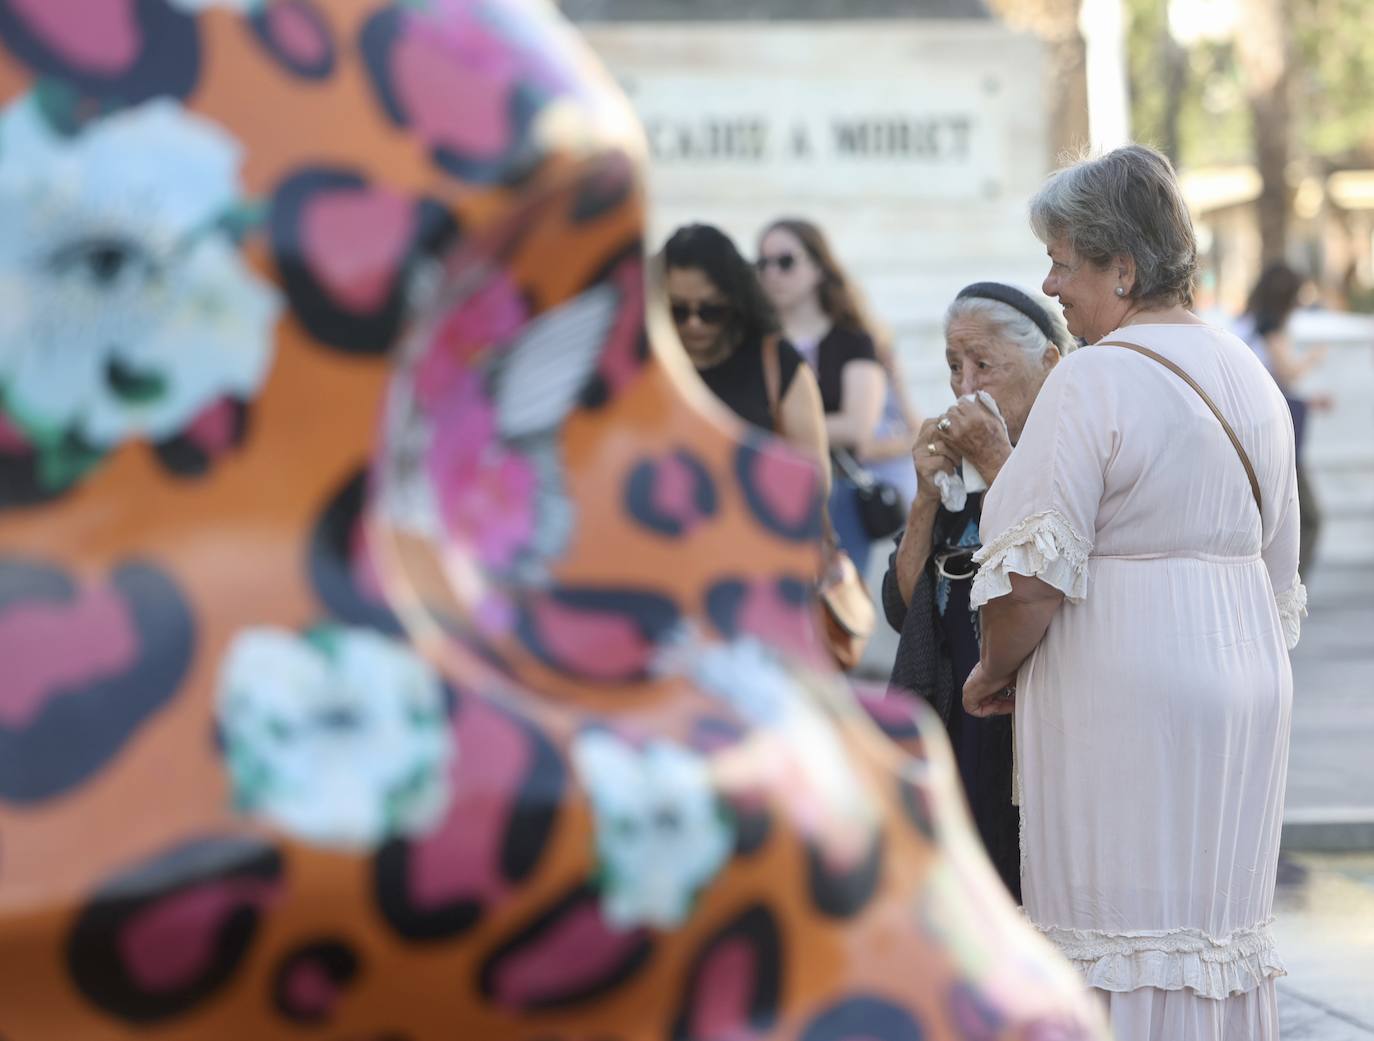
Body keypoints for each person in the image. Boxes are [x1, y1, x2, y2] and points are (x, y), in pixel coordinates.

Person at [962, 144, 1303, 1041]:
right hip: (1244, 685)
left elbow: (1029, 578)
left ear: (1125, 266)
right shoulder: (1250, 376)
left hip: (1124, 691)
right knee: (1212, 941)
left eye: (1065, 263)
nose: (1051, 283)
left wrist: (992, 669)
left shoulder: (1093, 376)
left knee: (1114, 932)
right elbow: (1280, 572)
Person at [882, 282, 1073, 901]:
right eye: (953, 367)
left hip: (1033, 725)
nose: (964, 387)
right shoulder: (960, 477)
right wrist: (926, 496)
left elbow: (1055, 561)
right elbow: (909, 606)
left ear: (1048, 363)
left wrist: (997, 459)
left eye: (983, 365)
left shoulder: (1069, 455)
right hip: (956, 720)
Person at [757, 218, 887, 572]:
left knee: (835, 616)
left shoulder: (852, 339)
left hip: (835, 495)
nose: (773, 273)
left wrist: (771, 430)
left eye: (785, 261)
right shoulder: (754, 341)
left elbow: (858, 426)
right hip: (762, 490)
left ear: (817, 267)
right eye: (763, 263)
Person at [662, 224, 829, 474]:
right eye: (678, 311)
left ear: (734, 299)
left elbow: (815, 480)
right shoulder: (642, 364)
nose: (693, 323)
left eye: (710, 311)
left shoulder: (776, 363)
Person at [1234, 262, 1331, 579]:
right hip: (1272, 437)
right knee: (1308, 516)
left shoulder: (1244, 323)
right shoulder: (1269, 326)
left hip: (1246, 435)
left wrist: (1307, 399)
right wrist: (1312, 359)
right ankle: (1284, 589)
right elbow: (1284, 374)